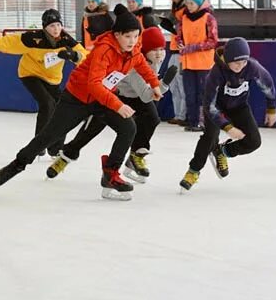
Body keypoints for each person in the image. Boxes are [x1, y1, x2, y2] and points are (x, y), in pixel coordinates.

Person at [0, 11, 162, 201]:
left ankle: (110, 174)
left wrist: (154, 85)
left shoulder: (133, 49)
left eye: (136, 36)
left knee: (128, 127)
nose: (132, 41)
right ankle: (17, 164)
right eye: (127, 36)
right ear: (117, 35)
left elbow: (142, 65)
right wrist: (118, 105)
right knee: (49, 136)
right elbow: (93, 84)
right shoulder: (103, 50)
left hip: (101, 98)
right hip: (77, 98)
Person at [46, 25, 178, 183]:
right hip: (117, 95)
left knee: (152, 119)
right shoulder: (136, 64)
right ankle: (66, 155)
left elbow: (146, 93)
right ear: (145, 50)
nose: (159, 53)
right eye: (154, 49)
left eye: (162, 49)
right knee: (92, 128)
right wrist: (164, 84)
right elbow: (146, 95)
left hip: (136, 96)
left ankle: (136, 155)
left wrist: (159, 84)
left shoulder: (155, 60)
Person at [0, 8, 87, 156]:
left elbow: (87, 58)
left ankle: (56, 147)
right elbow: (4, 42)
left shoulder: (66, 40)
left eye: (58, 25)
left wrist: (75, 55)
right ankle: (39, 145)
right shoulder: (32, 39)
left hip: (53, 80)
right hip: (30, 74)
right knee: (47, 103)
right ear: (44, 27)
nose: (56, 29)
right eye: (51, 26)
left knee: (62, 109)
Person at [178, 38, 276, 192]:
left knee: (254, 141)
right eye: (237, 63)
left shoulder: (252, 67)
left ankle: (222, 151)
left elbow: (267, 85)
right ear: (228, 59)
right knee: (210, 137)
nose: (241, 66)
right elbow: (209, 106)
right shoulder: (216, 73)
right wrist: (228, 127)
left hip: (239, 106)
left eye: (244, 62)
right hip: (215, 108)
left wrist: (272, 108)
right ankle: (193, 171)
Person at [176, 0, 218, 131]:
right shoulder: (184, 18)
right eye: (187, 3)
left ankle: (203, 121)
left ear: (199, 3)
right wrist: (180, 44)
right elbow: (179, 36)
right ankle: (192, 121)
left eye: (191, 4)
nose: (188, 6)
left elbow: (213, 41)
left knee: (203, 94)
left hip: (204, 64)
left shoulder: (209, 18)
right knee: (189, 94)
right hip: (188, 63)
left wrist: (191, 47)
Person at [159, 0, 189, 125]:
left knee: (182, 86)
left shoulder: (186, 10)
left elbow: (182, 31)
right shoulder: (176, 9)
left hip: (182, 51)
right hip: (173, 49)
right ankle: (178, 114)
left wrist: (170, 27)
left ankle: (183, 115)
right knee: (173, 85)